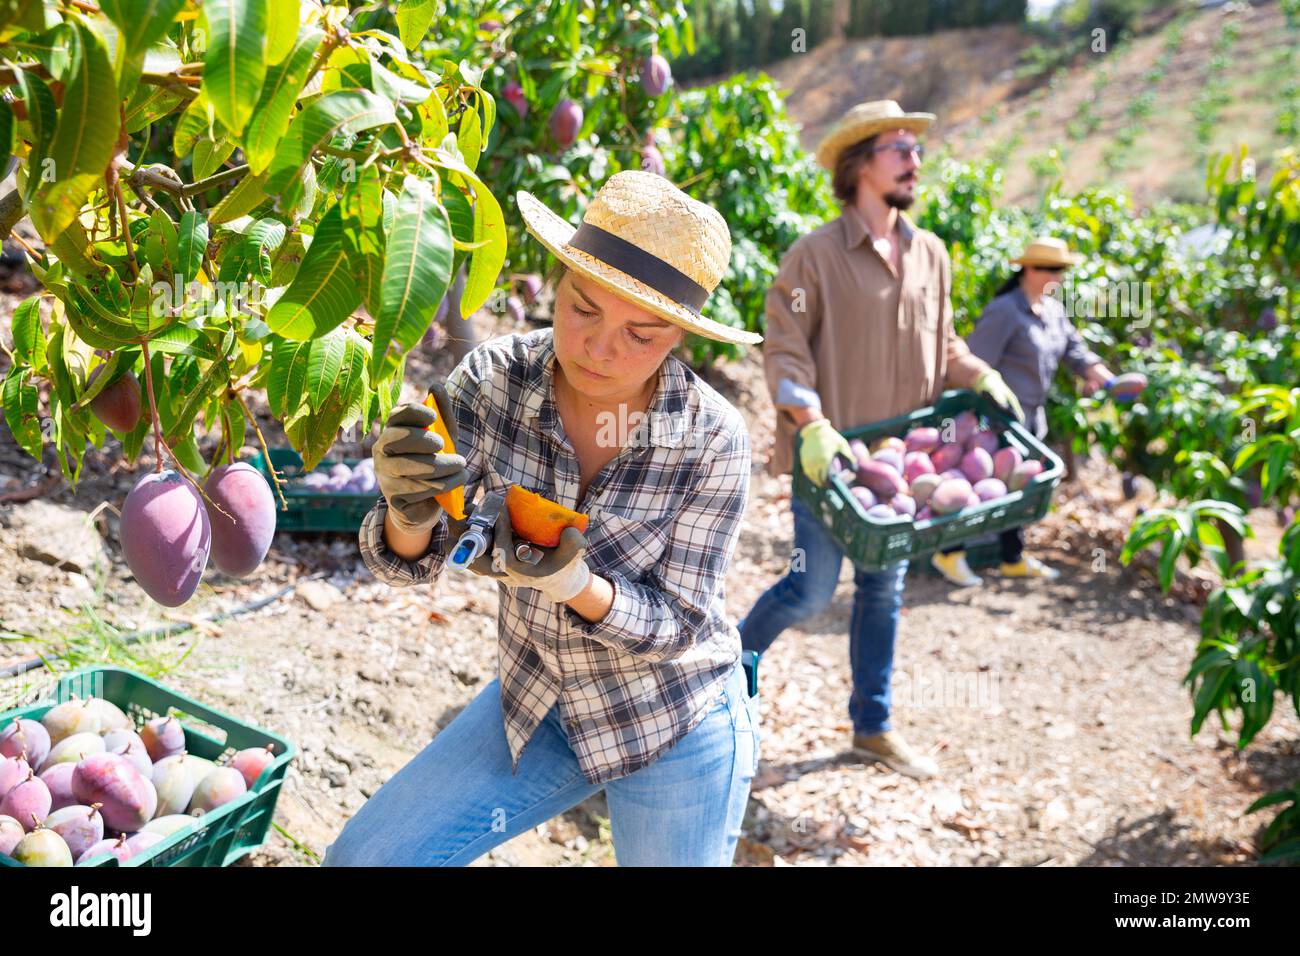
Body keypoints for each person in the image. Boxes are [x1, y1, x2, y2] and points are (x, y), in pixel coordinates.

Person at [321, 170, 764, 867]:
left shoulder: (710, 437)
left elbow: (679, 622)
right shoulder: (494, 382)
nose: (598, 348)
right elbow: (416, 555)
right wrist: (408, 510)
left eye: (640, 335)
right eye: (582, 308)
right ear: (557, 282)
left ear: (678, 336)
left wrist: (576, 586)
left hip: (670, 718)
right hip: (538, 700)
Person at [743, 101, 1023, 781]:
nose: (914, 158)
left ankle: (873, 726)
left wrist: (980, 372)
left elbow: (944, 343)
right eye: (899, 147)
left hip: (904, 466)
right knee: (812, 593)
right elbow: (783, 350)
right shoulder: (814, 256)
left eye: (916, 148)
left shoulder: (931, 254)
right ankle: (727, 675)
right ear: (859, 163)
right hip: (830, 459)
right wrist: (809, 422)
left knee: (883, 591)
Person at [930, 237, 1113, 587]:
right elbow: (974, 363)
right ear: (1027, 270)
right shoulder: (1005, 311)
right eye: (1051, 269)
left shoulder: (1052, 311)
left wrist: (1101, 375)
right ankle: (950, 552)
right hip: (996, 417)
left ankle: (1012, 556)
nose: (1057, 277)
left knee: (1019, 487)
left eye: (1061, 270)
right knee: (979, 481)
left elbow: (1075, 351)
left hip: (1031, 417)